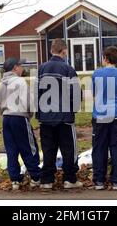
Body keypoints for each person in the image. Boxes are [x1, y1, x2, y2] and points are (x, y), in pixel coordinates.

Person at [37, 38, 83, 189]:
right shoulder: (68, 69)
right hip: (64, 117)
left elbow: (37, 92)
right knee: (68, 150)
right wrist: (73, 110)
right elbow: (76, 94)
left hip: (46, 117)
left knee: (48, 149)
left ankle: (47, 180)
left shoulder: (42, 68)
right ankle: (69, 178)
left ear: (51, 51)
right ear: (64, 51)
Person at [0, 57, 41, 190]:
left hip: (6, 118)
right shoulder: (20, 82)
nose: (22, 68)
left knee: (11, 149)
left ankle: (15, 179)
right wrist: (29, 114)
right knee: (29, 147)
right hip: (20, 118)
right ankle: (35, 177)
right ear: (15, 68)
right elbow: (28, 102)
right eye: (21, 66)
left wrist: (4, 112)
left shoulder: (1, 83)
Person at [91, 46, 117, 190]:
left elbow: (94, 94)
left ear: (105, 58)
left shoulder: (96, 74)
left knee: (99, 148)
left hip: (100, 116)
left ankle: (99, 180)